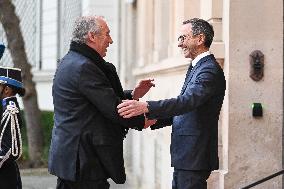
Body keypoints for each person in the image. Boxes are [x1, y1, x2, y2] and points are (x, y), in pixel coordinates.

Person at [48, 15, 155, 189]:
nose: (111, 40)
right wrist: (148, 118)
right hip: (82, 161)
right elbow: (113, 108)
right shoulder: (84, 66)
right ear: (92, 36)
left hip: (74, 159)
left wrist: (133, 94)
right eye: (107, 34)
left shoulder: (72, 61)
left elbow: (95, 100)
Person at [117, 18, 226, 189]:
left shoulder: (208, 70)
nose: (179, 44)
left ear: (200, 39)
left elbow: (186, 102)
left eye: (183, 38)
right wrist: (156, 120)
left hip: (194, 155)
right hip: (187, 155)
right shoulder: (198, 66)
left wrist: (147, 106)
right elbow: (189, 109)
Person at [0, 65, 25, 189]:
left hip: (5, 176)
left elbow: (12, 150)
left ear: (7, 89)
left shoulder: (10, 110)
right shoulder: (5, 107)